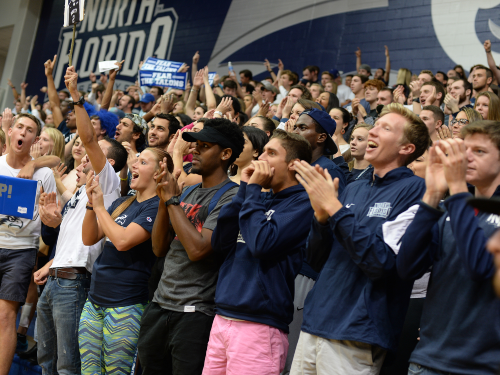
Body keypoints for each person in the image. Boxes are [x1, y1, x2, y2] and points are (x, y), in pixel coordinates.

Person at [290, 103, 430, 374]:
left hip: (358, 331)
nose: (373, 132)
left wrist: (334, 208)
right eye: (374, 126)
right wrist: (320, 219)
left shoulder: (416, 191)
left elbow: (380, 262)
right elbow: (316, 260)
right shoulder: (352, 188)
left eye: (385, 128)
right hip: (316, 321)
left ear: (407, 148)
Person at [35, 66, 128, 375]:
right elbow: (70, 235)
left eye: (95, 153)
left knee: (67, 366)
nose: (86, 155)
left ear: (110, 163)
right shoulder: (79, 189)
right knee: (45, 362)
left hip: (75, 282)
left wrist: (76, 96)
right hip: (55, 279)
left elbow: (88, 137)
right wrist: (51, 224)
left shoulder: (109, 182)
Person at [137, 118, 245, 374]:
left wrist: (172, 200)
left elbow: (198, 250)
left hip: (195, 312)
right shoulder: (187, 192)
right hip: (159, 305)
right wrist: (165, 200)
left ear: (226, 154)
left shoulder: (232, 195)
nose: (194, 150)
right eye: (194, 145)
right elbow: (159, 248)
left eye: (204, 146)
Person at [204, 130, 314, 374]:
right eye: (262, 151)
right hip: (223, 317)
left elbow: (262, 244)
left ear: (294, 165)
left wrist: (252, 192)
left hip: (260, 326)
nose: (260, 158)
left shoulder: (303, 203)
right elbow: (220, 244)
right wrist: (243, 190)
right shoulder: (258, 199)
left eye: (271, 153)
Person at [397, 121, 500, 374]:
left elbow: (480, 268)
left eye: (479, 151)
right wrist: (432, 195)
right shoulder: (450, 208)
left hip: (480, 365)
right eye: (465, 150)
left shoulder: (460, 201)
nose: (466, 158)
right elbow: (406, 267)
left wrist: (456, 188)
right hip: (427, 358)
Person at [79, 148, 170, 374]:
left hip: (126, 304)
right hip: (94, 301)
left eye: (143, 162)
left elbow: (122, 241)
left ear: (160, 172)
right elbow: (89, 238)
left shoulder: (156, 206)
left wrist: (100, 207)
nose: (134, 166)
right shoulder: (123, 202)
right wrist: (92, 205)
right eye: (135, 161)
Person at [0, 113, 59, 375]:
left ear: (35, 139)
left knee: (5, 316)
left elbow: (51, 218)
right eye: (19, 127)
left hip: (21, 250)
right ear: (10, 132)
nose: (23, 133)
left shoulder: (44, 173)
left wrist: (51, 218)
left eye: (30, 130)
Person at [292, 108, 346, 195]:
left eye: (302, 128)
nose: (294, 132)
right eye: (295, 127)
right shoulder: (293, 166)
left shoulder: (329, 171)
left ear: (321, 137)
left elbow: (335, 207)